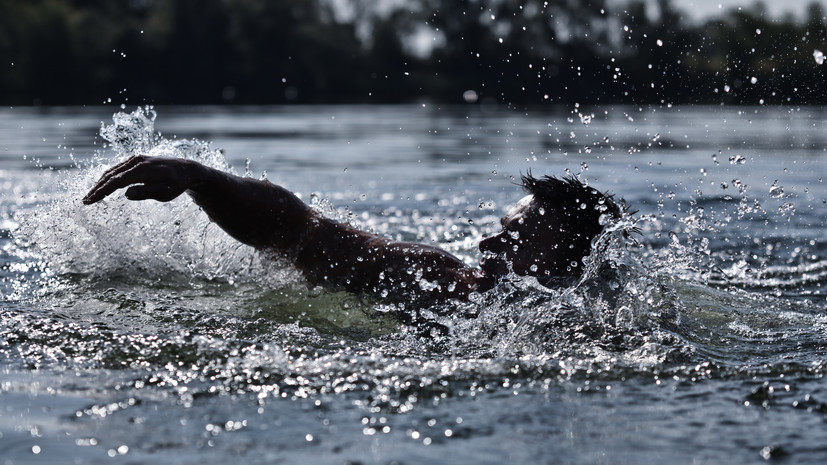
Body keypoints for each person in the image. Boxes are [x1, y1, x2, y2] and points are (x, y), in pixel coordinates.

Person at [83, 155, 622, 306]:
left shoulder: (603, 330)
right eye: (498, 229)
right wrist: (200, 178)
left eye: (516, 237)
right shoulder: (435, 277)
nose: (486, 243)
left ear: (573, 266)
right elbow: (299, 231)